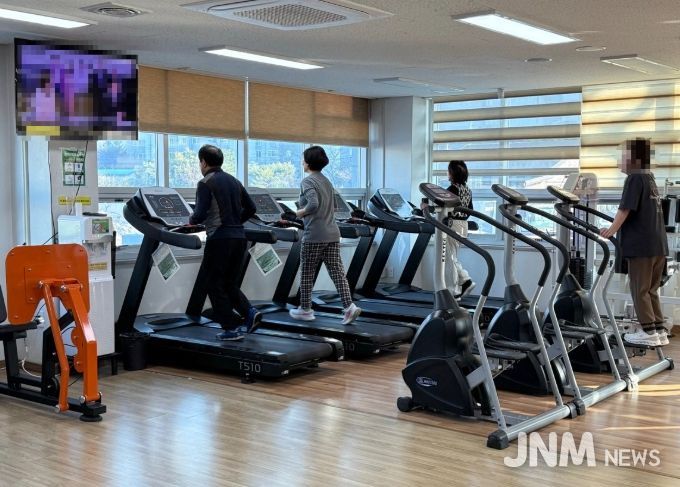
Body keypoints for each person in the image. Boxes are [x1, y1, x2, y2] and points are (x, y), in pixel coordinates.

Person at [600, 138, 669, 346]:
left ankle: (648, 332)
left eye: (623, 156)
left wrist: (610, 231)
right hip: (658, 245)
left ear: (633, 158)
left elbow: (625, 209)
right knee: (651, 290)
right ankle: (659, 330)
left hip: (641, 246)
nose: (619, 161)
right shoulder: (649, 178)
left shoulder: (634, 178)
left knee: (639, 290)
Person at [190, 144, 261, 341]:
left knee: (213, 284)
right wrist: (236, 222)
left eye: (200, 162)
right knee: (229, 283)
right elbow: (251, 208)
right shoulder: (235, 181)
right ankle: (250, 312)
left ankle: (230, 328)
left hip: (220, 239)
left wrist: (191, 220)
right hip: (239, 238)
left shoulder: (205, 183)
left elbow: (199, 214)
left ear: (203, 162)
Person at [289, 146, 362, 324]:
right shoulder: (327, 181)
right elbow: (334, 207)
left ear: (308, 162)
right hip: (332, 233)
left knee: (307, 273)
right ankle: (349, 307)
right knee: (337, 273)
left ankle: (305, 310)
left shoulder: (307, 181)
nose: (302, 162)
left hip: (314, 234)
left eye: (303, 159)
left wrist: (298, 213)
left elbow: (313, 204)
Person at [445, 160, 475, 299]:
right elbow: (470, 209)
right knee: (452, 256)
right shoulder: (467, 189)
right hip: (463, 225)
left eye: (449, 171)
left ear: (452, 173)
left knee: (449, 258)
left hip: (452, 224)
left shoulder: (452, 189)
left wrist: (426, 208)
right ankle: (464, 281)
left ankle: (455, 291)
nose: (447, 173)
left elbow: (443, 207)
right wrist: (461, 217)